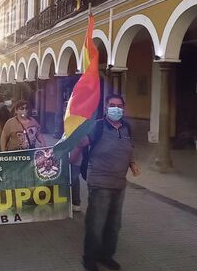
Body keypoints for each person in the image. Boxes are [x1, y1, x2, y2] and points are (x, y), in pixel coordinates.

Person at [71, 94, 141, 271]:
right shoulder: (98, 126)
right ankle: (90, 259)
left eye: (119, 105)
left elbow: (128, 148)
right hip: (100, 183)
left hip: (119, 184)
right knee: (96, 223)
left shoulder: (126, 128)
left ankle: (106, 256)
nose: (116, 108)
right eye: (112, 105)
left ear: (123, 108)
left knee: (114, 224)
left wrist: (132, 164)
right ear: (106, 107)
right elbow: (82, 143)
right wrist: (76, 141)